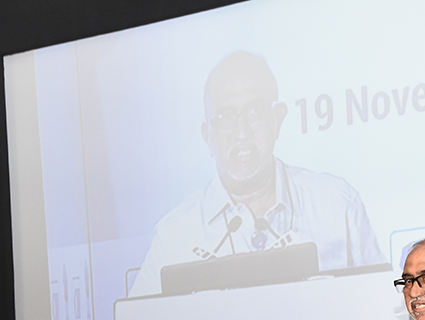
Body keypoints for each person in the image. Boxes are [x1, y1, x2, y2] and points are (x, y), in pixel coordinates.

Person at [129, 50, 385, 297]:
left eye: (254, 112)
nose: (242, 132)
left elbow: (385, 307)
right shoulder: (174, 236)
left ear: (277, 120)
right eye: (225, 117)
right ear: (207, 136)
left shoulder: (337, 205)